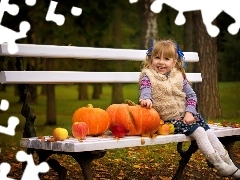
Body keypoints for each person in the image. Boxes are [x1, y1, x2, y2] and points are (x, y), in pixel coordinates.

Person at [139, 39, 240, 179]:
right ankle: (219, 165)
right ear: (151, 59)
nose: (161, 62)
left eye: (166, 59)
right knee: (199, 131)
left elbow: (191, 95)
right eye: (157, 57)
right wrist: (146, 99)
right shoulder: (148, 76)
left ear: (174, 62)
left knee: (209, 133)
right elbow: (145, 90)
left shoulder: (179, 76)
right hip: (170, 120)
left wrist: (189, 112)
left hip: (188, 116)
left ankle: (229, 163)